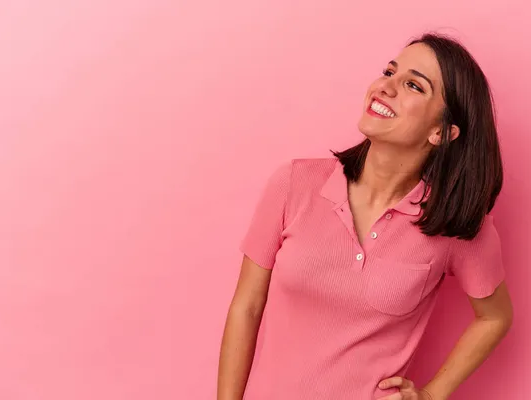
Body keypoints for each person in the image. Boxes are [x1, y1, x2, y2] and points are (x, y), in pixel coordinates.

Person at [217, 33, 514, 400]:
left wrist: (432, 394)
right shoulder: (294, 183)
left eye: (412, 85)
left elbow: (495, 316)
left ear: (441, 131)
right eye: (389, 71)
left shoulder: (454, 224)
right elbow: (246, 308)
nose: (385, 87)